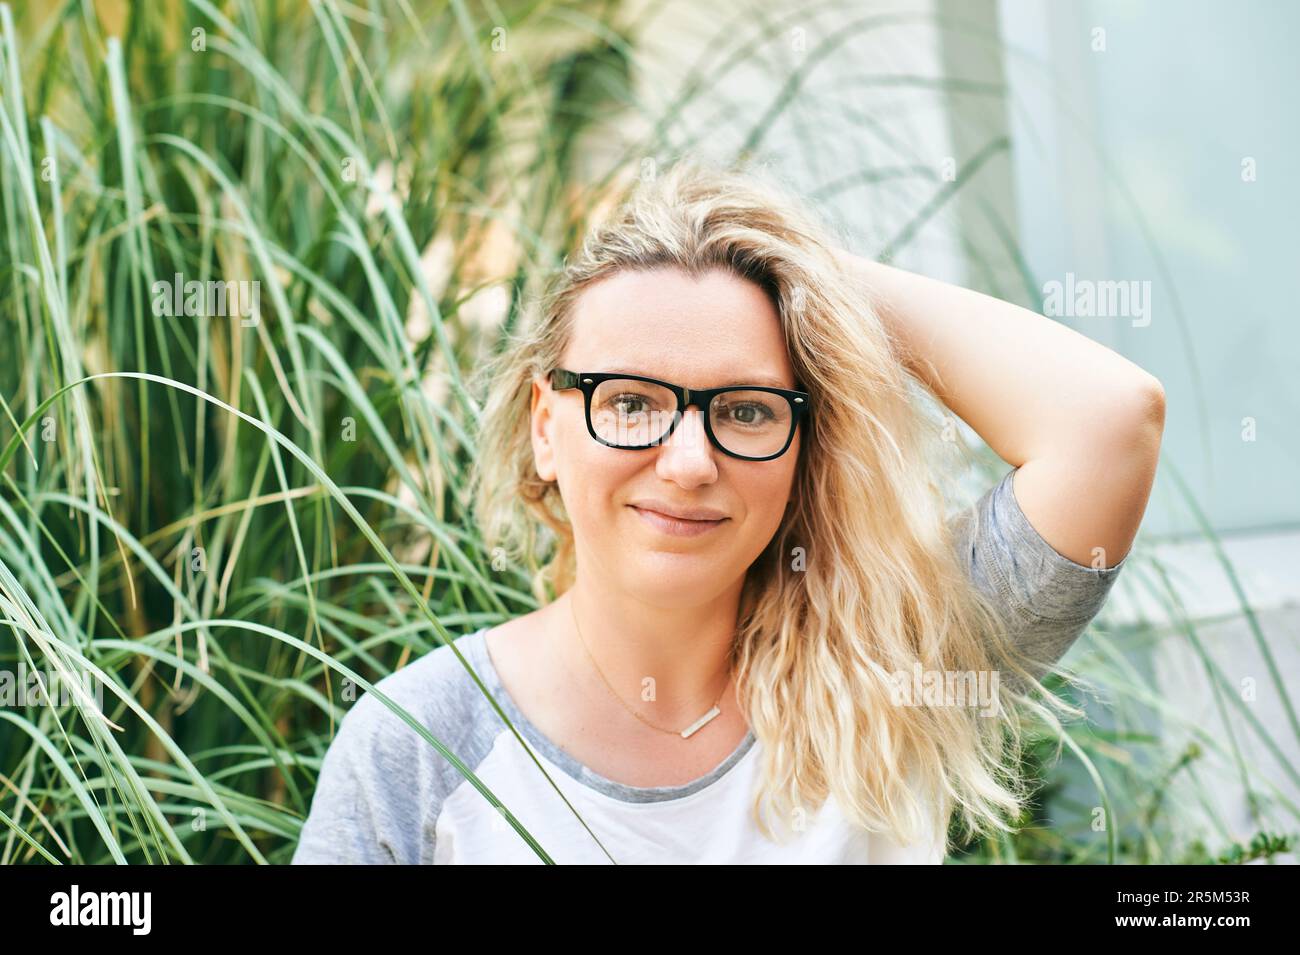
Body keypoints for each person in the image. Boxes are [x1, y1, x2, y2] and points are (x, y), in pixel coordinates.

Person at [291, 158, 1165, 864]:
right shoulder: (419, 743)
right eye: (630, 402)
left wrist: (799, 270)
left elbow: (1111, 422)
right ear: (545, 427)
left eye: (746, 408)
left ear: (800, 447)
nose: (689, 461)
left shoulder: (889, 668)